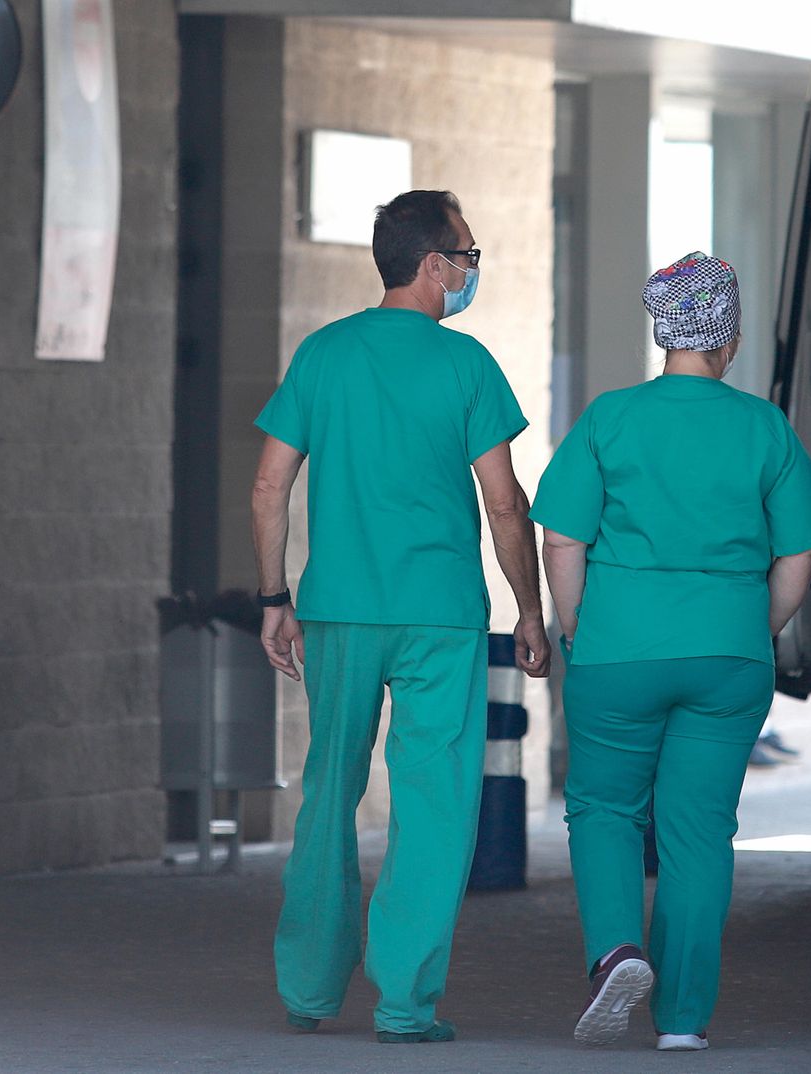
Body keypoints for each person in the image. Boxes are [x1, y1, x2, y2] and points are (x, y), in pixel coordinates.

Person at [251, 190, 551, 1045]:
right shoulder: (465, 366)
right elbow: (504, 503)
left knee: (328, 792)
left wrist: (274, 597)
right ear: (432, 266)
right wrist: (529, 610)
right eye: (468, 254)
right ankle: (404, 1004)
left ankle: (309, 990)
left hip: (339, 610)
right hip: (441, 620)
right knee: (432, 805)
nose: (470, 269)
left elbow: (270, 485)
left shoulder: (323, 355)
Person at [531, 252, 811, 1052]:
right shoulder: (762, 425)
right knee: (699, 829)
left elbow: (561, 535)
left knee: (603, 808)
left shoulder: (611, 417)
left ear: (662, 328)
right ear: (727, 337)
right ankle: (683, 1022)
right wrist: (755, 630)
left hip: (617, 647)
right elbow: (800, 558)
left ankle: (616, 952)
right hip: (729, 652)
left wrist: (577, 626)